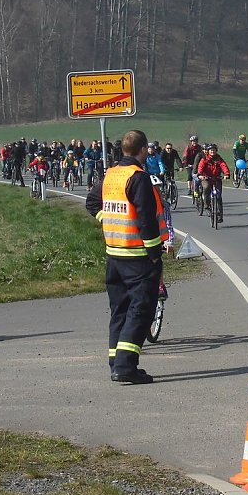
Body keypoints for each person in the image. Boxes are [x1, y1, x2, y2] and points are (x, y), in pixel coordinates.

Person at [86, 129, 167, 384]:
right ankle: (125, 367)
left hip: (114, 255)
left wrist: (106, 223)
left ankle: (115, 361)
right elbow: (146, 220)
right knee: (140, 310)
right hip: (137, 256)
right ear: (143, 150)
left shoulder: (111, 174)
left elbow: (91, 203)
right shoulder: (138, 177)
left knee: (119, 310)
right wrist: (154, 254)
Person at [197, 144, 230, 222]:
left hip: (216, 178)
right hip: (206, 178)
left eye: (214, 150)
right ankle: (207, 205)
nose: (212, 151)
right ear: (208, 151)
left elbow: (223, 165)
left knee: (218, 196)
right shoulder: (204, 159)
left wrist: (226, 174)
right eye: (211, 150)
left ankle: (220, 215)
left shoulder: (219, 158)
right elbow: (200, 167)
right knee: (206, 187)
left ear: (216, 151)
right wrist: (200, 175)